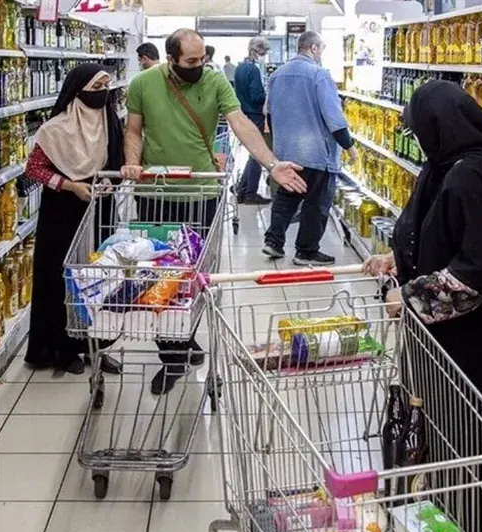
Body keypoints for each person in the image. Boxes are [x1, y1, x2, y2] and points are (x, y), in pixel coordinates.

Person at [362, 80, 482, 532]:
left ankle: (470, 531)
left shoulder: (473, 177)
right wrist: (399, 259)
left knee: (466, 441)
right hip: (460, 341)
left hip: (469, 347)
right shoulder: (457, 166)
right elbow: (442, 234)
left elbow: (477, 272)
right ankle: (456, 521)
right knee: (453, 439)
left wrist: (411, 295)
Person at [121, 28, 305, 394]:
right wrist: (131, 163)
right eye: (191, 61)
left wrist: (271, 164)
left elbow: (240, 123)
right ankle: (173, 355)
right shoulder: (143, 83)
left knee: (194, 277)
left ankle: (183, 339)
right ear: (171, 59)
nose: (199, 65)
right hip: (156, 194)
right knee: (159, 278)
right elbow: (133, 131)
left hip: (202, 192)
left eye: (202, 58)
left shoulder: (215, 80)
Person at [23, 64, 123, 375]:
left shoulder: (109, 122)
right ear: (78, 92)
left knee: (100, 276)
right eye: (97, 88)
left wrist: (110, 180)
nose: (103, 94)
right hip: (64, 210)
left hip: (100, 207)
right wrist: (69, 185)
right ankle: (62, 348)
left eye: (106, 87)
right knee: (63, 276)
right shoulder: (55, 129)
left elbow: (117, 162)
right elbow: (34, 169)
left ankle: (95, 344)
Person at [263, 31, 357, 266]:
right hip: (316, 151)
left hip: (287, 151)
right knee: (317, 203)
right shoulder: (319, 74)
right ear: (314, 48)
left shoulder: (277, 75)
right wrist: (349, 146)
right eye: (321, 49)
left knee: (287, 197)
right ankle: (306, 251)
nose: (321, 53)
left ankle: (274, 242)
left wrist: (279, 144)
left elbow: (270, 113)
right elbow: (333, 116)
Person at [233, 37, 273, 205]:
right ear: (257, 51)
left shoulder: (239, 68)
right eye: (264, 52)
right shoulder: (253, 70)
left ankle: (242, 190)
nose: (264, 56)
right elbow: (257, 96)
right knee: (258, 155)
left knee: (252, 153)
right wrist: (268, 95)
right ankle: (250, 194)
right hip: (255, 114)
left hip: (244, 113)